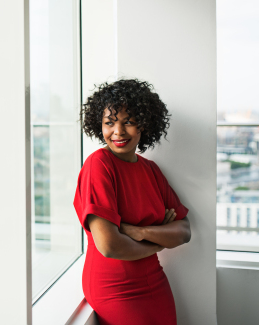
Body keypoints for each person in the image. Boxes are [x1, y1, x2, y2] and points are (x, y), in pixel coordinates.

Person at [73, 79, 191, 325]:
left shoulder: (151, 169)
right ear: (99, 125)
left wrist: (138, 231)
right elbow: (110, 246)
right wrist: (158, 242)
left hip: (154, 280)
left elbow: (183, 231)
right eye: (109, 123)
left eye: (128, 121)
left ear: (144, 125)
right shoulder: (98, 165)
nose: (118, 131)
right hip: (114, 287)